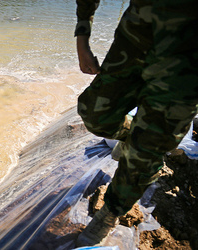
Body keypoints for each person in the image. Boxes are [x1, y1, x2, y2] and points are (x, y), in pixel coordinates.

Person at [75, 0, 198, 246]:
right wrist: (82, 34)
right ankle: (140, 138)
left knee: (146, 149)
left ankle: (110, 213)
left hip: (189, 58)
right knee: (94, 113)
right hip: (139, 34)